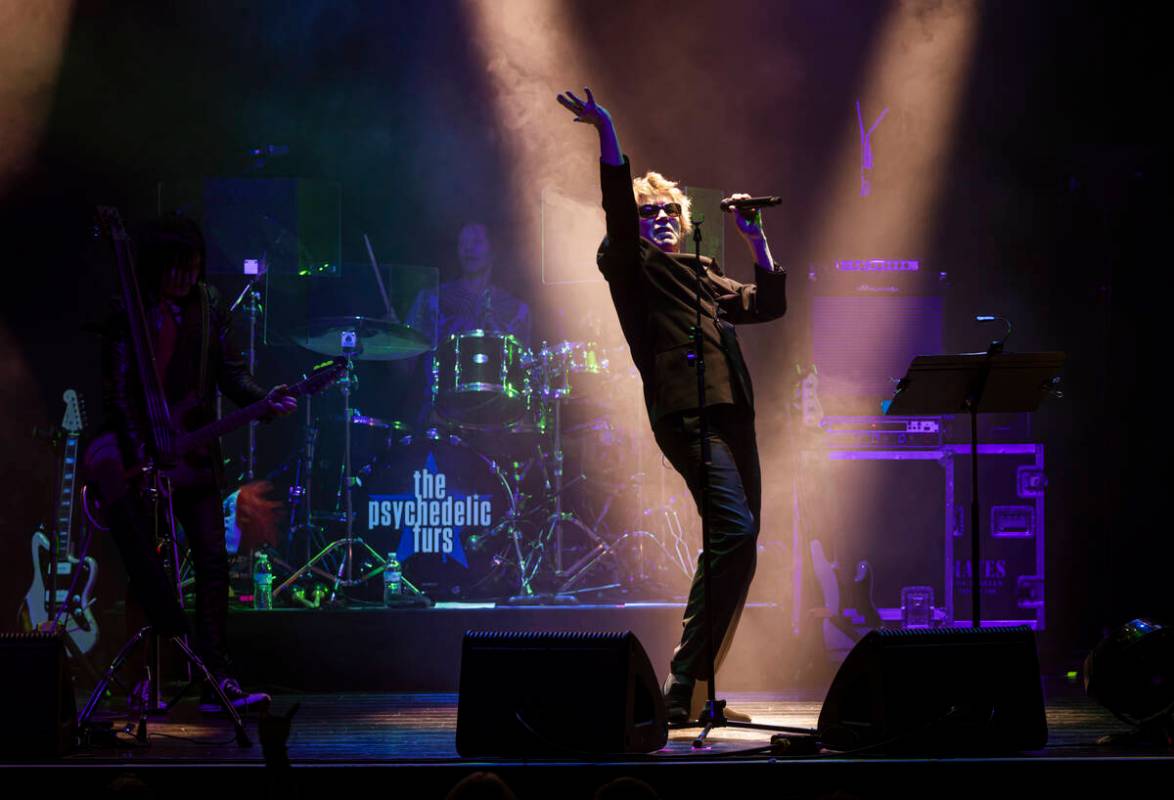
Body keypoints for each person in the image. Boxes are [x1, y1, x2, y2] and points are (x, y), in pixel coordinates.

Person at [557, 87, 788, 723]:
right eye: (650, 212)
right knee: (734, 530)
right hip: (686, 415)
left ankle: (693, 689)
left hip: (734, 412)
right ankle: (680, 685)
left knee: (742, 544)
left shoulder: (704, 269)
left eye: (669, 213)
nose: (661, 219)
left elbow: (767, 304)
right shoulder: (629, 265)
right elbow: (615, 202)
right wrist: (606, 127)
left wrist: (756, 238)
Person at [100, 215, 297, 712]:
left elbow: (231, 373)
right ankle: (145, 677)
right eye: (176, 270)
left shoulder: (209, 306)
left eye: (193, 269)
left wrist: (261, 398)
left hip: (197, 459)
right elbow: (118, 393)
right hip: (146, 458)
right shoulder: (131, 308)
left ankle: (215, 678)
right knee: (149, 570)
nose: (186, 279)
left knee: (213, 565)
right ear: (156, 268)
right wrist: (141, 450)